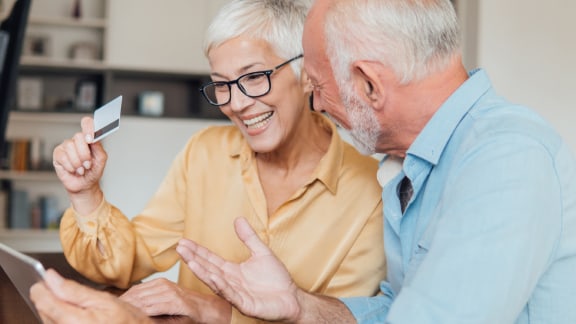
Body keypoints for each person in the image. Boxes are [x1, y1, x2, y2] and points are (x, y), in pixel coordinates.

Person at [176, 0, 576, 323]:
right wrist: (300, 307)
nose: (314, 103)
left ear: (369, 84)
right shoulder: (413, 164)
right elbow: (397, 309)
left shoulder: (505, 158)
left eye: (316, 85)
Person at [49, 0, 388, 323]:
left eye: (254, 77)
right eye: (221, 84)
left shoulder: (371, 190)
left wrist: (214, 311)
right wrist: (86, 194)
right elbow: (125, 263)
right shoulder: (205, 153)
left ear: (306, 74)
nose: (236, 103)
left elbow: (343, 318)